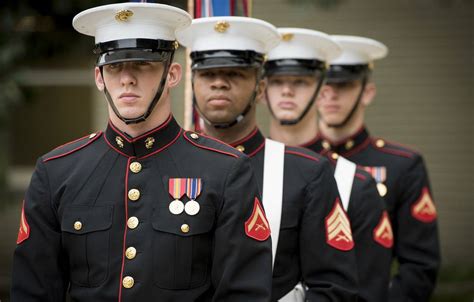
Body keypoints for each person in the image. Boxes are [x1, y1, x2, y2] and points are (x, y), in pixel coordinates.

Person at [11, 3, 273, 301]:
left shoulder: (225, 171)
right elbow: (33, 292)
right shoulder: (57, 171)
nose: (127, 79)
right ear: (99, 77)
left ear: (173, 74)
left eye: (142, 64)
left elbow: (244, 293)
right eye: (114, 66)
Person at [177, 17, 359, 301]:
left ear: (260, 89)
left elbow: (335, 289)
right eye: (207, 74)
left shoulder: (307, 173)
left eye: (234, 74)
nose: (219, 84)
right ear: (192, 84)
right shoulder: (168, 163)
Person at [263, 28, 393, 302]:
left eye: (300, 81)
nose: (286, 90)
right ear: (262, 90)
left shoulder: (354, 184)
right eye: (276, 81)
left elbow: (368, 289)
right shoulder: (237, 170)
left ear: (322, 93)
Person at [307, 35, 440, 301]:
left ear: (367, 92)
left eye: (343, 86)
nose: (330, 94)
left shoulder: (402, 165)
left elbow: (419, 268)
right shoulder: (297, 162)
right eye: (323, 85)